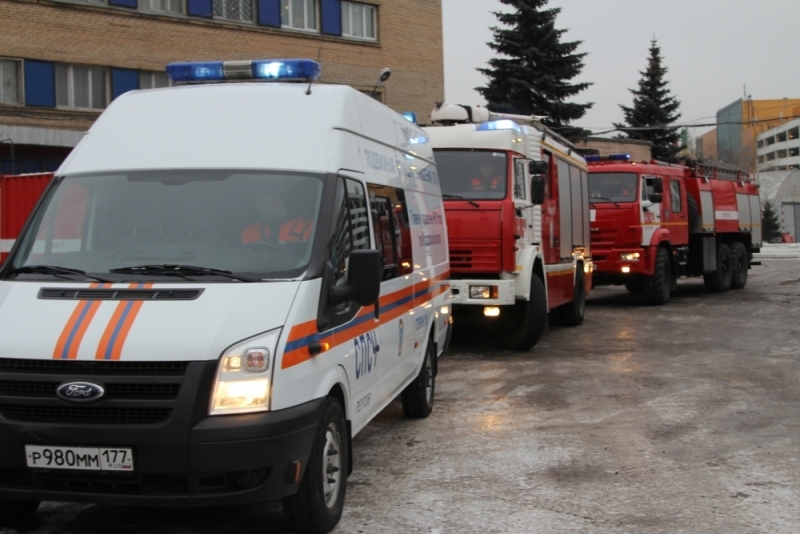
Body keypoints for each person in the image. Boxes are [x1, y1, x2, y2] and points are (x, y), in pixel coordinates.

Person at [242, 193, 313, 245]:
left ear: (280, 202)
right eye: (255, 202)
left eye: (262, 201)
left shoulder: (309, 228)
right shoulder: (248, 231)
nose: (257, 206)